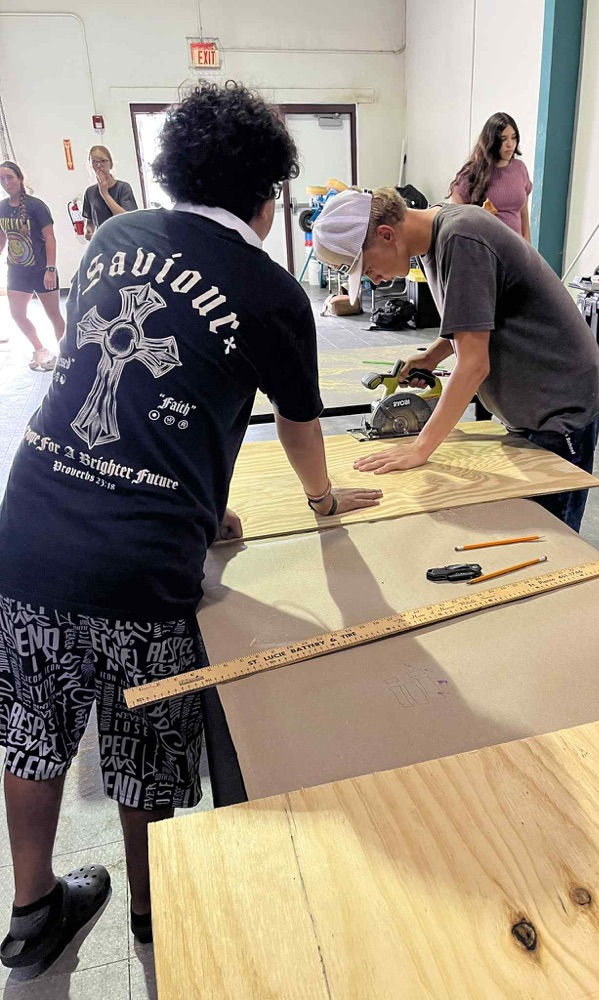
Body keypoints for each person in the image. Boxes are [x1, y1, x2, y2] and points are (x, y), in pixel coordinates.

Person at [0, 81, 381, 972]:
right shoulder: (274, 292)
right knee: (140, 750)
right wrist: (324, 503)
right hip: (140, 570)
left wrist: (198, 507)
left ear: (170, 172)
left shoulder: (114, 236)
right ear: (270, 193)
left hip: (28, 527)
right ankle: (154, 914)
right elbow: (297, 422)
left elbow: (134, 389)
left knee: (33, 727)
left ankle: (30, 912)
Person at [312, 188, 599, 532]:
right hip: (532, 409)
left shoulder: (461, 238)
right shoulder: (429, 242)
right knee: (526, 530)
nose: (372, 279)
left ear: (385, 234)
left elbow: (473, 365)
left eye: (365, 267)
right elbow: (476, 316)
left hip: (560, 410)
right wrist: (433, 354)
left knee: (552, 541)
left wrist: (419, 448)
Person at [0, 161, 65, 371]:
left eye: (9, 177)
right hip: (17, 271)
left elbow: (50, 238)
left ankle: (66, 354)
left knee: (53, 314)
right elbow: (2, 237)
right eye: (1, 179)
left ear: (20, 178)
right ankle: (40, 349)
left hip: (41, 270)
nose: (6, 182)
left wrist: (51, 268)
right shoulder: (1, 207)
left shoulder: (37, 206)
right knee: (17, 314)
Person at [449, 113, 532, 241]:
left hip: (516, 250)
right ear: (492, 141)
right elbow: (454, 216)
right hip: (486, 249)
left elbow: (523, 215)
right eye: (503, 139)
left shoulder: (520, 168)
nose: (510, 144)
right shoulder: (472, 173)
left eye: (513, 138)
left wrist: (529, 250)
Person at [82, 145, 138, 239]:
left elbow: (126, 218)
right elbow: (89, 222)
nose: (99, 165)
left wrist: (105, 194)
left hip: (124, 241)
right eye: (94, 161)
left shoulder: (123, 188)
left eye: (103, 161)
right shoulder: (90, 192)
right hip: (103, 243)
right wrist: (88, 231)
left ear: (111, 164)